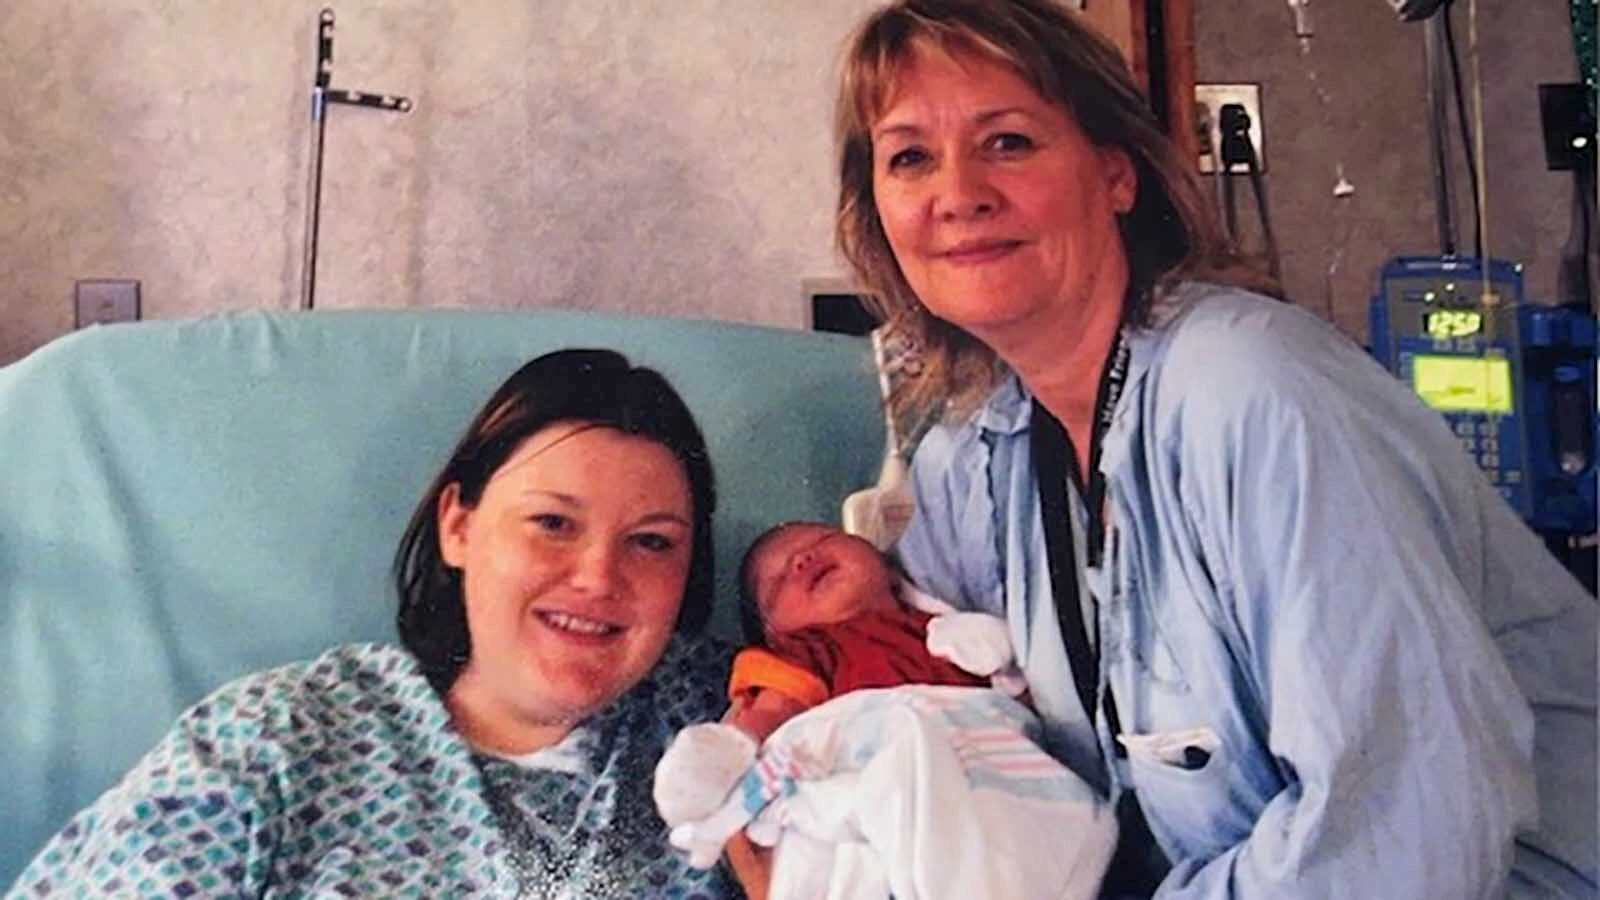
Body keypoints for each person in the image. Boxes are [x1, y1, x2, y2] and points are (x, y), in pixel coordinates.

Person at [831, 1, 1598, 897]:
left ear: (1117, 173)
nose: (958, 193)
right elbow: (927, 702)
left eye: (1008, 142)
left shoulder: (1252, 394)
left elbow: (1415, 832)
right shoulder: (975, 458)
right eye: (910, 156)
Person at [6, 349, 740, 898]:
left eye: (652, 542)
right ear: (459, 525)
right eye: (552, 522)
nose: (598, 578)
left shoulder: (739, 728)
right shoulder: (279, 743)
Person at [653, 521, 1116, 900]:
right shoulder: (807, 650)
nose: (801, 561)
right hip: (875, 759)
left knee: (1046, 831)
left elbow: (1021, 720)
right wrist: (725, 751)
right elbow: (773, 710)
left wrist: (1004, 674)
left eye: (822, 542)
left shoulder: (939, 629)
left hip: (981, 766)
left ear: (884, 564)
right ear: (774, 632)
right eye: (778, 583)